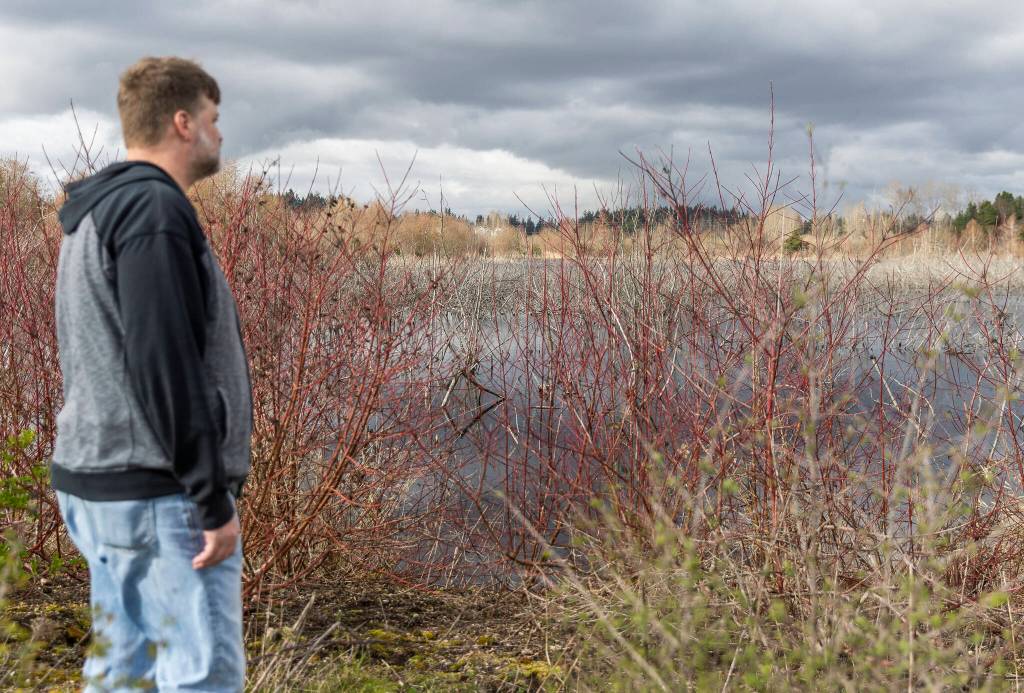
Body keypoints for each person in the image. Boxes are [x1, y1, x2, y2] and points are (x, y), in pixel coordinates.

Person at [51, 56, 252, 691]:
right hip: (158, 493)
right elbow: (163, 360)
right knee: (200, 675)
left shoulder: (100, 209)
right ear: (183, 122)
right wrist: (209, 498)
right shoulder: (152, 211)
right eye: (213, 118)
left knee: (124, 675)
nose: (220, 133)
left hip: (106, 482)